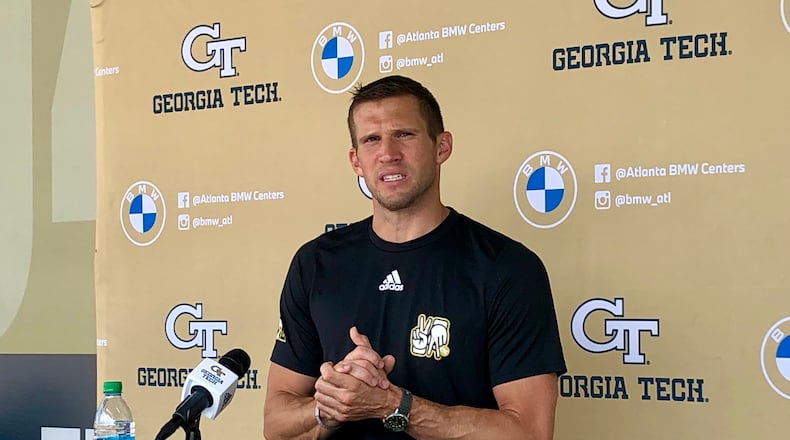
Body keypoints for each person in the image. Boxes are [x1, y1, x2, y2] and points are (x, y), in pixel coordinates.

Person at [263, 74, 566, 439]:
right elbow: (276, 424)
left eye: (403, 134)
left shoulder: (508, 268)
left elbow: (530, 433)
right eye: (371, 140)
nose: (387, 153)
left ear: (442, 147)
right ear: (356, 160)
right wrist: (332, 403)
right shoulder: (315, 263)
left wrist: (394, 405)